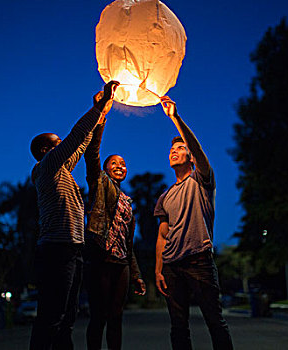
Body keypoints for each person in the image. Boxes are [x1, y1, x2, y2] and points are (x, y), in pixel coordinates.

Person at [29, 81, 118, 350]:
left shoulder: (62, 171)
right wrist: (98, 106)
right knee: (52, 316)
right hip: (57, 250)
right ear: (46, 151)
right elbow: (76, 136)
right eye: (57, 146)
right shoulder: (46, 168)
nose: (62, 149)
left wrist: (100, 115)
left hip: (73, 250)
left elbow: (83, 142)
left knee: (69, 316)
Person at [154, 96, 233, 350]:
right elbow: (162, 236)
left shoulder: (202, 180)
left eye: (180, 149)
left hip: (199, 260)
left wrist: (175, 118)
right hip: (172, 267)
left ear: (190, 158)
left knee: (214, 321)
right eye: (171, 150)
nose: (174, 151)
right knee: (178, 327)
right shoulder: (165, 197)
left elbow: (197, 150)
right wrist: (158, 269)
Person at [83, 105, 146, 350]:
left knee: (117, 317)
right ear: (106, 169)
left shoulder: (128, 203)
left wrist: (137, 276)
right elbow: (92, 155)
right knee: (99, 316)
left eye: (123, 163)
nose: (120, 165)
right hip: (101, 259)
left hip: (121, 264)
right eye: (114, 163)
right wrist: (101, 120)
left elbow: (128, 243)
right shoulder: (100, 184)